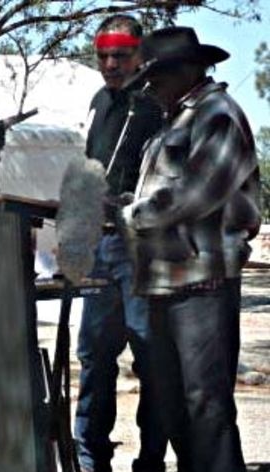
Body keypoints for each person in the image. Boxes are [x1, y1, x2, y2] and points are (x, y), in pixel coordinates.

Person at [121, 26, 259, 472]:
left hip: (203, 280)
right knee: (176, 404)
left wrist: (132, 214)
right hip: (168, 282)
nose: (150, 86)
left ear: (186, 71)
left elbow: (195, 194)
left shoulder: (217, 114)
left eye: (157, 76)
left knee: (205, 404)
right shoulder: (174, 121)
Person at [74, 14, 167, 472]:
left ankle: (151, 458)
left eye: (121, 54)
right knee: (93, 354)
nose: (111, 63)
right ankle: (91, 455)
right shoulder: (97, 101)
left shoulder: (154, 103)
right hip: (100, 243)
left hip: (142, 246)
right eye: (104, 55)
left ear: (139, 54)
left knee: (150, 355)